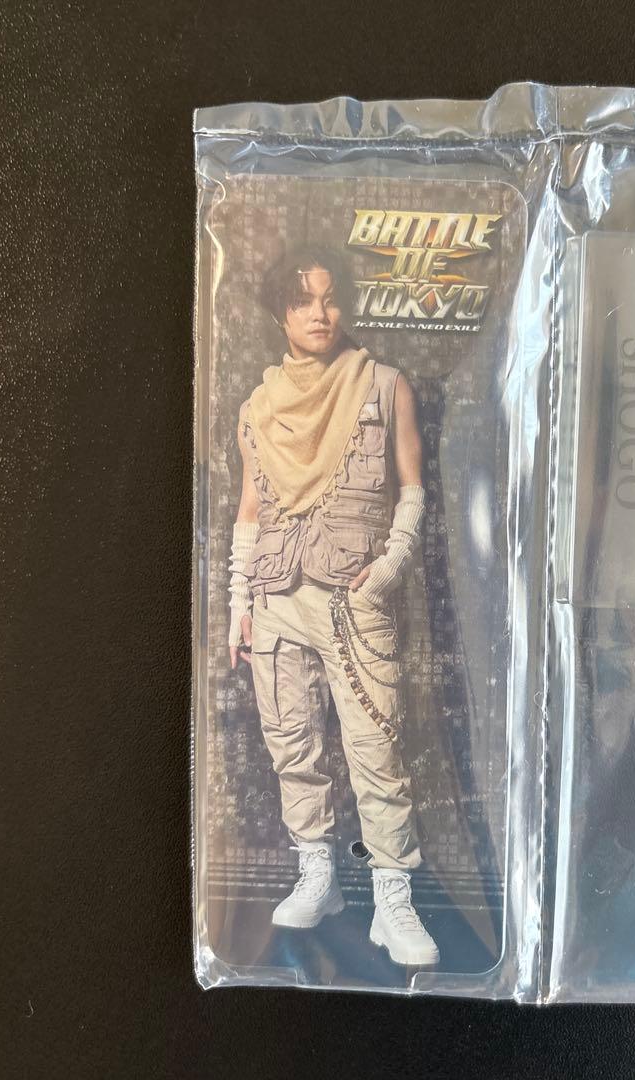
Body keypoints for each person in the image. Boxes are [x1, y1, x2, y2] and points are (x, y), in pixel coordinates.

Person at [225, 243, 439, 967]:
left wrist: (389, 568)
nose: (318, 313)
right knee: (291, 742)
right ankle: (318, 875)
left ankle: (392, 900)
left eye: (329, 297)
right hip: (275, 594)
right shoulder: (257, 409)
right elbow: (250, 510)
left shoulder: (384, 385)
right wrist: (237, 603)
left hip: (354, 596)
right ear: (280, 313)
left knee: (376, 745)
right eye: (302, 301)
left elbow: (412, 489)